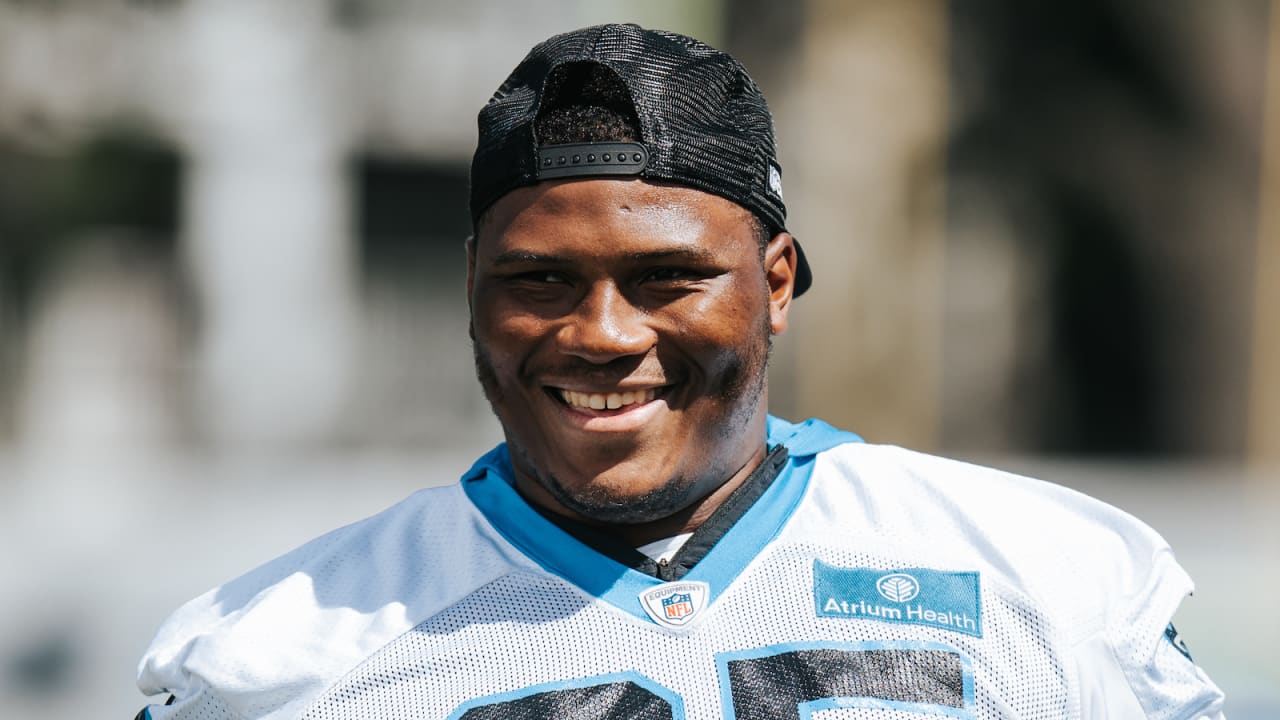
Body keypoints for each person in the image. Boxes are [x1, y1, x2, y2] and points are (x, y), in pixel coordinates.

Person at [134, 23, 1226, 720]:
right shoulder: (283, 651)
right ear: (473, 285)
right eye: (541, 280)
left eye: (667, 277)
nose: (602, 335)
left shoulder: (1040, 577)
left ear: (778, 282)